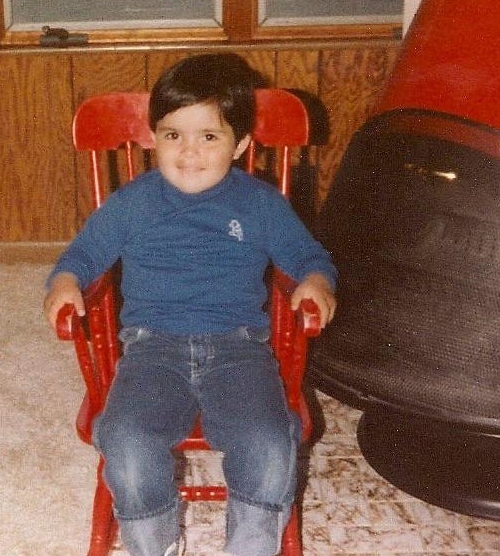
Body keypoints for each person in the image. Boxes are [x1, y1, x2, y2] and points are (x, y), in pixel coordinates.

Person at [43, 53, 337, 556]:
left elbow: (308, 256)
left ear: (241, 144)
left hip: (239, 349)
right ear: (154, 137)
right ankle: (155, 543)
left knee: (268, 443)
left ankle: (249, 546)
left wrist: (314, 281)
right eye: (173, 134)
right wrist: (66, 281)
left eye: (210, 136)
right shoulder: (134, 203)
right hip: (151, 348)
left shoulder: (261, 204)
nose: (189, 152)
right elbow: (84, 254)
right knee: (126, 441)